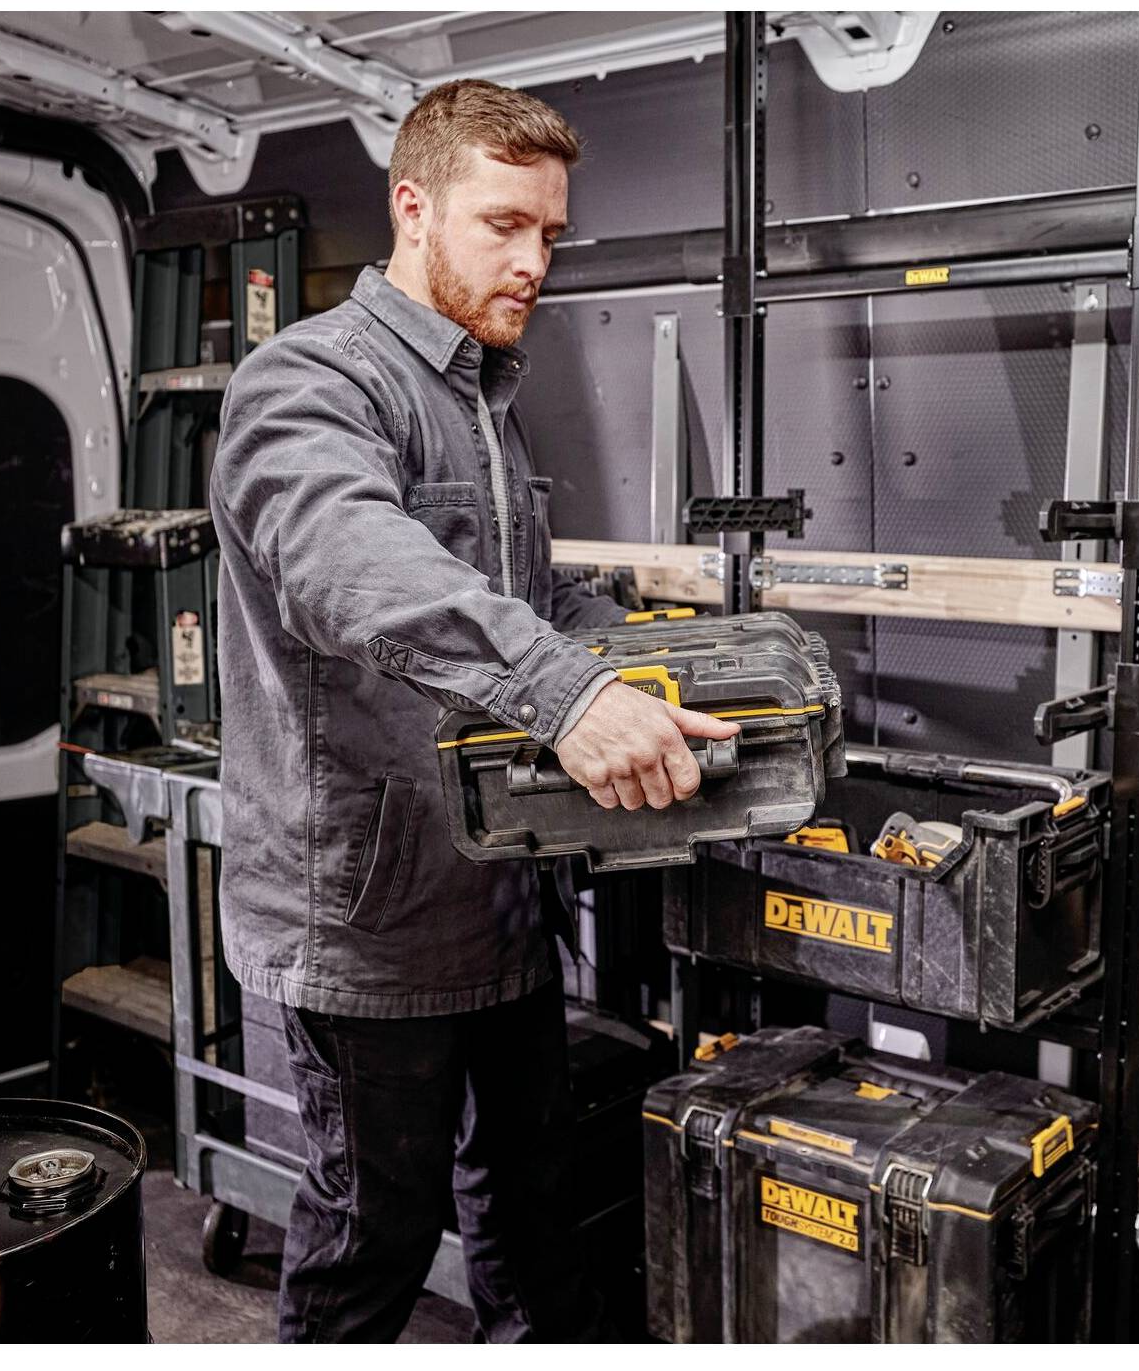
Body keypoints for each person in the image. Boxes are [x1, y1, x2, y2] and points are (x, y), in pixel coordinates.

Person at [209, 78, 739, 1342]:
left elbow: (528, 593)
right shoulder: (308, 383)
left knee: (529, 1211)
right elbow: (353, 564)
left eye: (550, 234)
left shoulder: (481, 398)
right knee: (371, 1238)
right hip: (369, 918)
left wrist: (692, 665)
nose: (533, 261)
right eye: (504, 224)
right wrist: (565, 695)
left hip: (500, 893)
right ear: (414, 207)